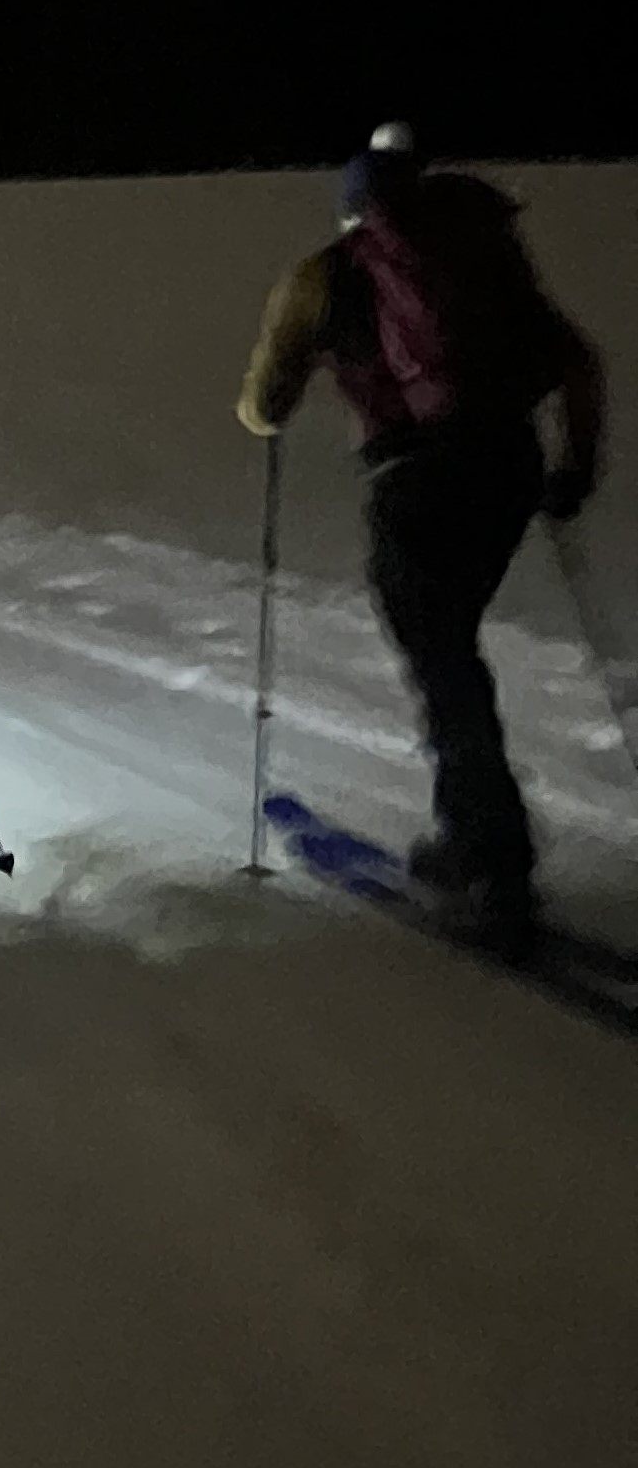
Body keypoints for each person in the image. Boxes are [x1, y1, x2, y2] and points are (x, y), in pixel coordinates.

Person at [238, 123, 604, 954]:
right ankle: (469, 836)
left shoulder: (324, 276)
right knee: (451, 649)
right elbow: (578, 364)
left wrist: (278, 396)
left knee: (442, 661)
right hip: (506, 469)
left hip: (413, 482)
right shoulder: (483, 258)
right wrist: (573, 470)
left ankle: (490, 860)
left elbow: (264, 403)